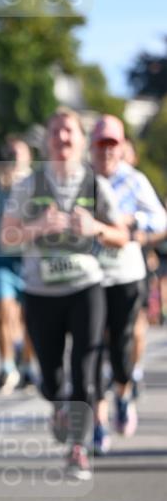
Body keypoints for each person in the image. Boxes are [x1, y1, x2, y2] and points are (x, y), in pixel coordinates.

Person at [1, 107, 127, 479]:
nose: (63, 138)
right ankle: (57, 403)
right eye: (56, 132)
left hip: (86, 286)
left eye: (69, 131)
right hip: (41, 291)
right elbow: (6, 236)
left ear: (81, 140)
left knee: (85, 367)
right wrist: (36, 227)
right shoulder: (29, 185)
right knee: (52, 377)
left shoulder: (95, 185)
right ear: (47, 141)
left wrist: (96, 228)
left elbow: (122, 236)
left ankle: (77, 448)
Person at [89, 115, 166, 453]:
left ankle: (123, 390)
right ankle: (98, 422)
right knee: (89, 348)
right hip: (88, 276)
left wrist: (132, 223)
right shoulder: (78, 180)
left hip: (125, 274)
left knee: (119, 345)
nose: (106, 151)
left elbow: (161, 219)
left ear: (121, 148)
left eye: (112, 144)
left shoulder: (133, 181)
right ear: (91, 147)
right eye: (100, 144)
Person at [0, 140, 35, 394]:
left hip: (28, 259)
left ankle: (28, 364)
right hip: (0, 259)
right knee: (1, 311)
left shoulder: (33, 186)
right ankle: (6, 366)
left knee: (31, 320)